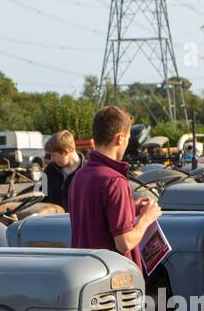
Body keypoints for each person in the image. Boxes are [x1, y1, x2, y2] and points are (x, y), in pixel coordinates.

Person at [67, 105, 161, 268]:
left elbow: (96, 218)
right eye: (128, 137)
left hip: (85, 273)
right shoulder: (115, 181)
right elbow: (124, 243)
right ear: (120, 138)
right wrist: (147, 218)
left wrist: (131, 208)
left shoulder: (79, 176)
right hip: (113, 280)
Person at [42, 130, 82, 208]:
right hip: (53, 219)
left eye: (54, 155)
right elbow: (39, 197)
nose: (51, 159)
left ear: (66, 152)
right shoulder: (48, 170)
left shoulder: (89, 172)